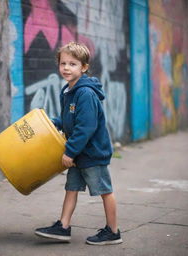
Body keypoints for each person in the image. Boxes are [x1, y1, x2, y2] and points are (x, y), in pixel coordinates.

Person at [35, 42, 122, 245]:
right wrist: (53, 123)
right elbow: (70, 119)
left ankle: (113, 231)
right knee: (71, 188)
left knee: (104, 191)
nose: (66, 68)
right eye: (63, 63)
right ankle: (63, 227)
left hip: (91, 154)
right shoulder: (69, 91)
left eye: (72, 64)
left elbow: (86, 127)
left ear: (83, 67)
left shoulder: (85, 93)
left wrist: (70, 151)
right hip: (78, 154)